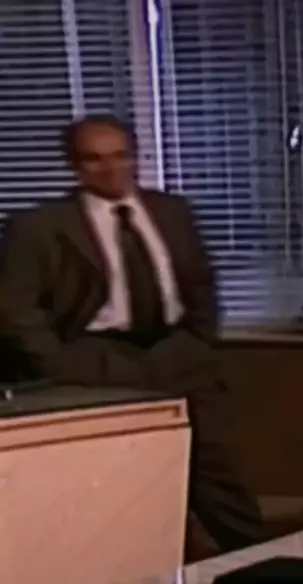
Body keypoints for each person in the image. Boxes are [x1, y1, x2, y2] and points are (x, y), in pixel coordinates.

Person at [0, 114, 263, 553]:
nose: (111, 168)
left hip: (178, 355)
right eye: (95, 159)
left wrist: (198, 342)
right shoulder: (39, 226)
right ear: (75, 166)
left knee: (218, 475)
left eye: (121, 156)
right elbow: (16, 309)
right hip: (96, 361)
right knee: (125, 485)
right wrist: (60, 365)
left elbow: (199, 284)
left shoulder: (172, 213)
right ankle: (151, 566)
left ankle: (263, 561)